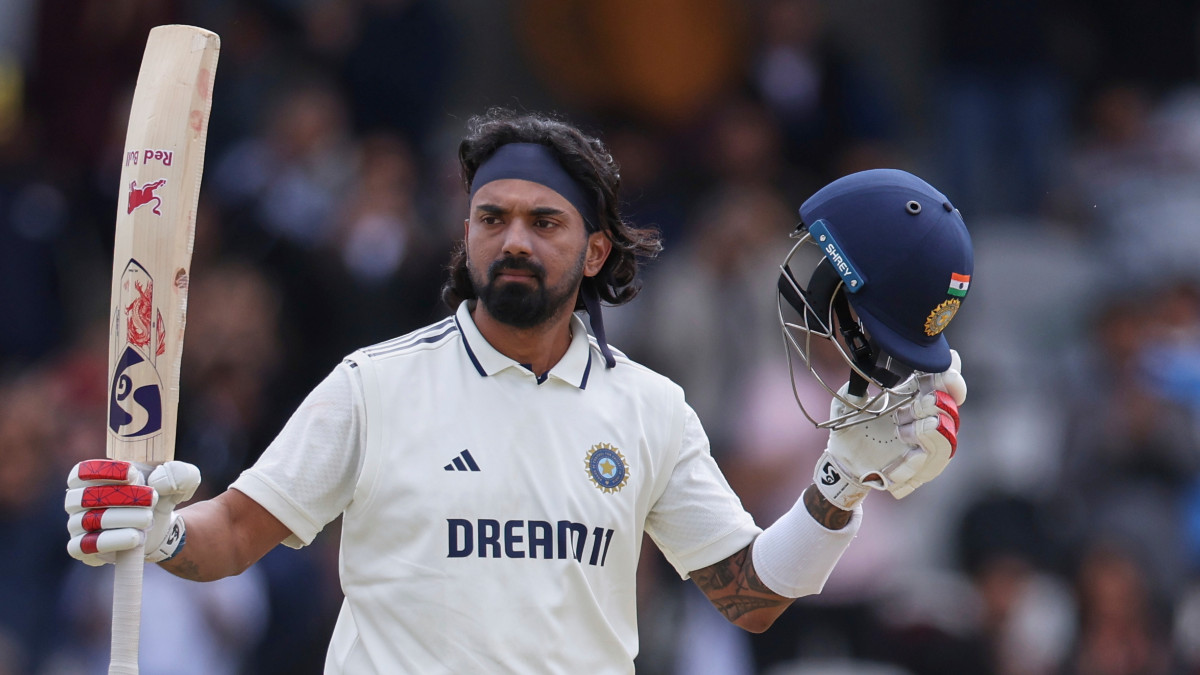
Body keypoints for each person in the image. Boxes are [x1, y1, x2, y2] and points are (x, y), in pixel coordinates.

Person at [64, 109, 972, 673]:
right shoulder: (376, 383)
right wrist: (162, 529)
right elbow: (234, 534)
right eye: (491, 218)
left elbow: (750, 595)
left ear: (597, 250)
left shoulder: (649, 408)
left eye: (545, 222)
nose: (514, 241)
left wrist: (838, 485)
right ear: (465, 234)